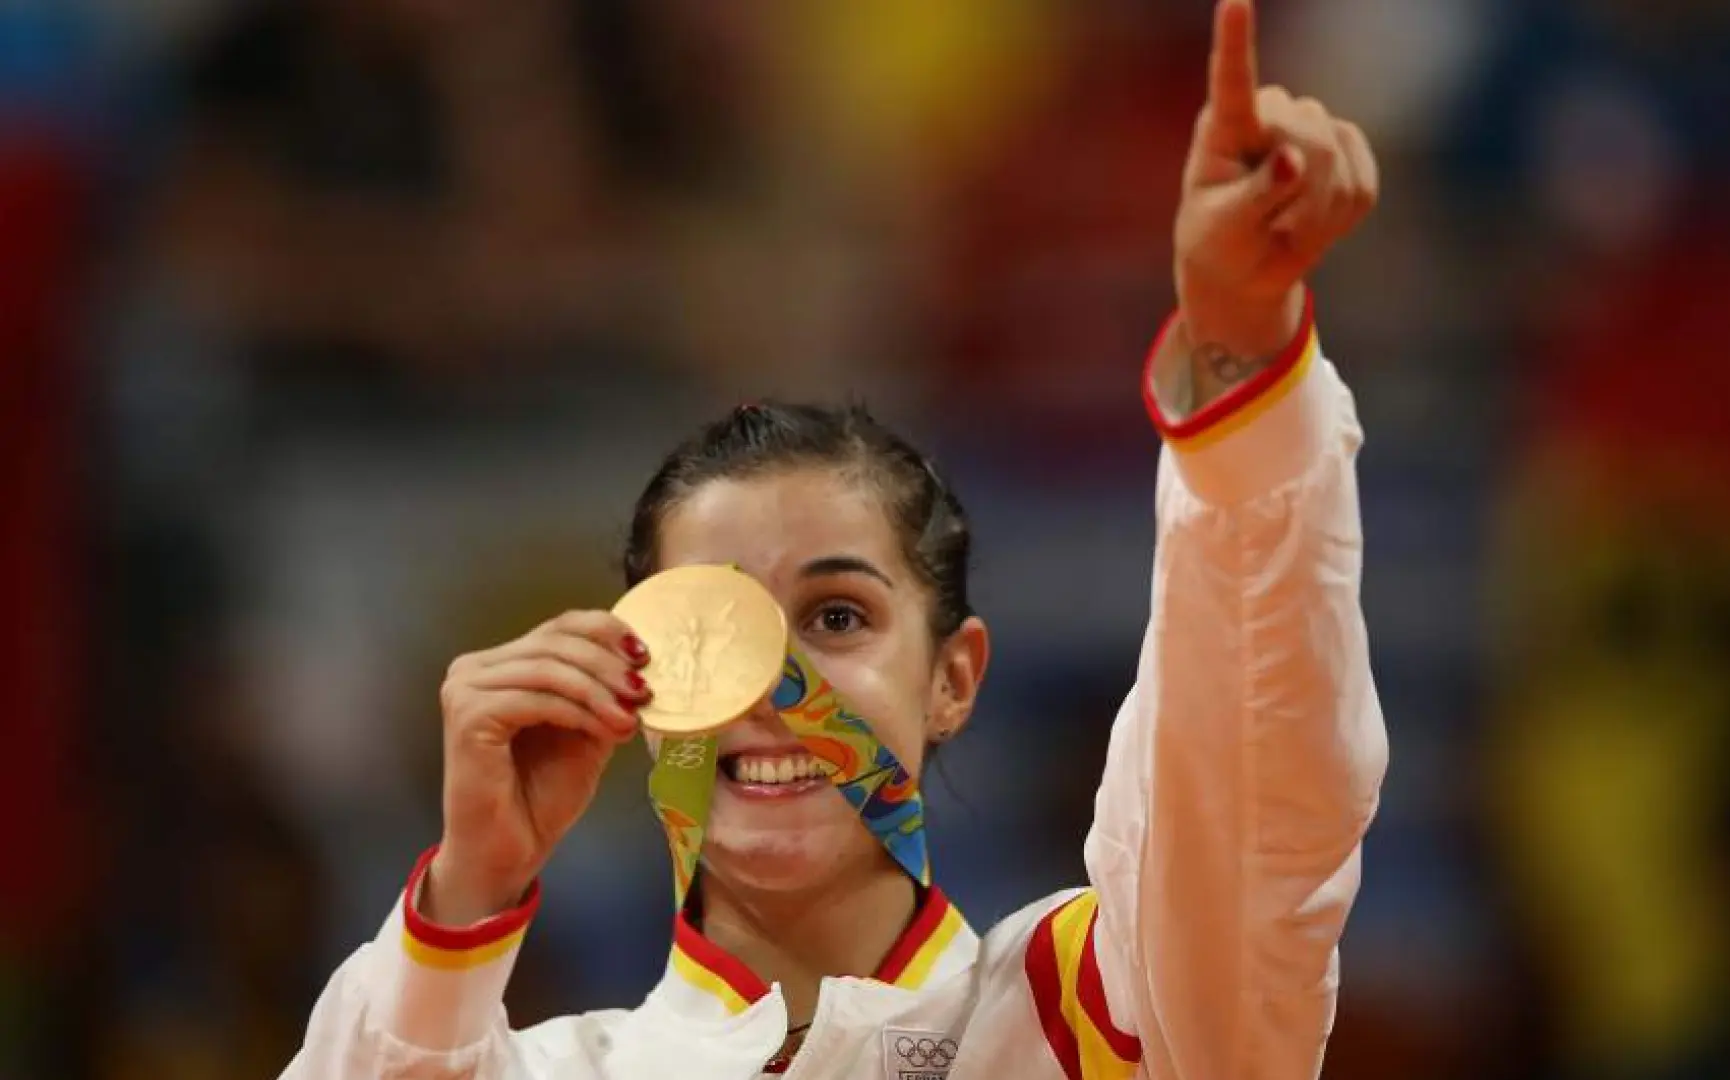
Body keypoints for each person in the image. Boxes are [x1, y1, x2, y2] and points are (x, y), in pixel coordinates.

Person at [281, 1, 1386, 1077]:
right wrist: (465, 898)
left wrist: (1240, 351)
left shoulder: (1091, 1018)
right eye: (715, 626)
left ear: (953, 678)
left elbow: (1248, 786)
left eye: (838, 616)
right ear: (636, 685)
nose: (774, 682)